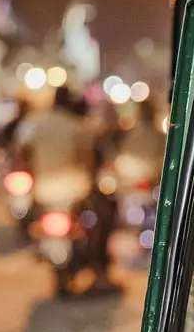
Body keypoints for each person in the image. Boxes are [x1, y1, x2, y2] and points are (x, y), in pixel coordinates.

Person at [13, 84, 119, 293]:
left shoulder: (37, 125)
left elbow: (24, 154)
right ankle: (100, 268)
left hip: (44, 191)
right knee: (103, 217)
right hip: (75, 189)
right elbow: (90, 159)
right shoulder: (78, 127)